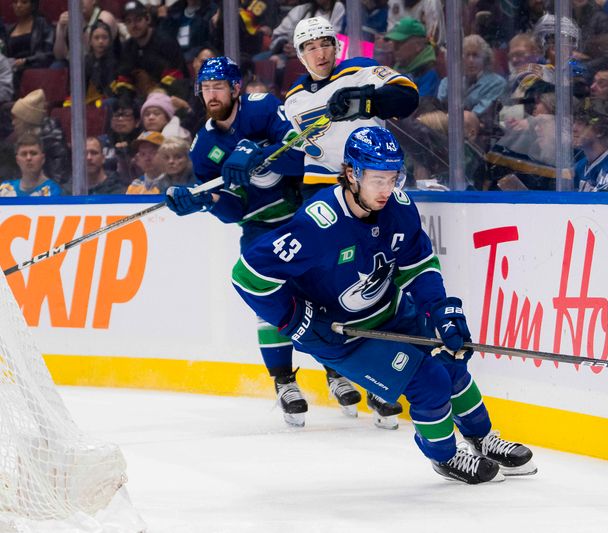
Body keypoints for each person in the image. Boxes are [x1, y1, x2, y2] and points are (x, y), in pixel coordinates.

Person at [231, 126, 537, 484]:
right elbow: (247, 275)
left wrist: (439, 309)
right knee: (428, 382)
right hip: (343, 337)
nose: (386, 189)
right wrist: (297, 321)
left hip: (390, 311)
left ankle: (482, 437)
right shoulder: (317, 224)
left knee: (450, 359)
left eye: (393, 178)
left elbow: (418, 265)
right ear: (351, 174)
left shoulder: (400, 209)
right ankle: (446, 456)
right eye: (377, 179)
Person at [165, 56, 391, 428]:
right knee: (270, 303)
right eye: (205, 88)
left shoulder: (263, 108)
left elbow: (303, 154)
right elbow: (235, 210)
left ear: (236, 88)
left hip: (306, 216)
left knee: (328, 292)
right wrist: (206, 201)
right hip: (261, 229)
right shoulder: (203, 146)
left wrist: (261, 153)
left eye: (219, 86)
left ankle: (336, 369)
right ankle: (284, 381)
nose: (212, 94)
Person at [277, 16, 419, 197]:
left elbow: (408, 97)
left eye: (326, 45)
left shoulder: (359, 70)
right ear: (300, 55)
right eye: (311, 48)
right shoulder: (293, 98)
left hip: (368, 180)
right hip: (320, 187)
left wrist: (364, 101)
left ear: (336, 46)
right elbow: (296, 148)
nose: (321, 55)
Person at [113, 1, 189, 99]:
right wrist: (126, 102)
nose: (134, 25)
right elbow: (123, 79)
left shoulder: (166, 42)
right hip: (140, 100)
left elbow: (176, 79)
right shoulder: (127, 47)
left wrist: (154, 96)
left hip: (171, 96)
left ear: (148, 19)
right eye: (129, 21)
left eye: (138, 20)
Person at [437, 34, 506, 116]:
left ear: (485, 59)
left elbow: (479, 112)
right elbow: (438, 110)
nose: (471, 60)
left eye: (475, 55)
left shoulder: (496, 83)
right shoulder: (447, 82)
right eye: (467, 55)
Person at [11, 88, 70, 184]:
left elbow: (59, 180)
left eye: (16, 119)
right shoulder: (20, 139)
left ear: (27, 120)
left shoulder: (54, 144)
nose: (13, 123)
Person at [383, 17, 439, 100]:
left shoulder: (430, 73)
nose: (394, 49)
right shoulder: (398, 67)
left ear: (418, 45)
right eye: (393, 43)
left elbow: (421, 107)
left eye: (399, 43)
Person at [573, 96, 608, 192]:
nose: (574, 128)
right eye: (574, 122)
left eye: (581, 123)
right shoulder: (579, 166)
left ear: (600, 130)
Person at [3, 0, 54, 88]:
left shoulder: (42, 24)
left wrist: (26, 61)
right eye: (15, 2)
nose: (18, 5)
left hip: (35, 69)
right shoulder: (9, 30)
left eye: (24, 2)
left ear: (32, 5)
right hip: (12, 71)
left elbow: (48, 54)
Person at [53, 0, 118, 64]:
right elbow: (59, 56)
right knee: (57, 65)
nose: (79, 1)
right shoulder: (69, 18)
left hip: (102, 65)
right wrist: (60, 28)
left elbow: (92, 51)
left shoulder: (105, 18)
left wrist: (81, 24)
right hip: (75, 65)